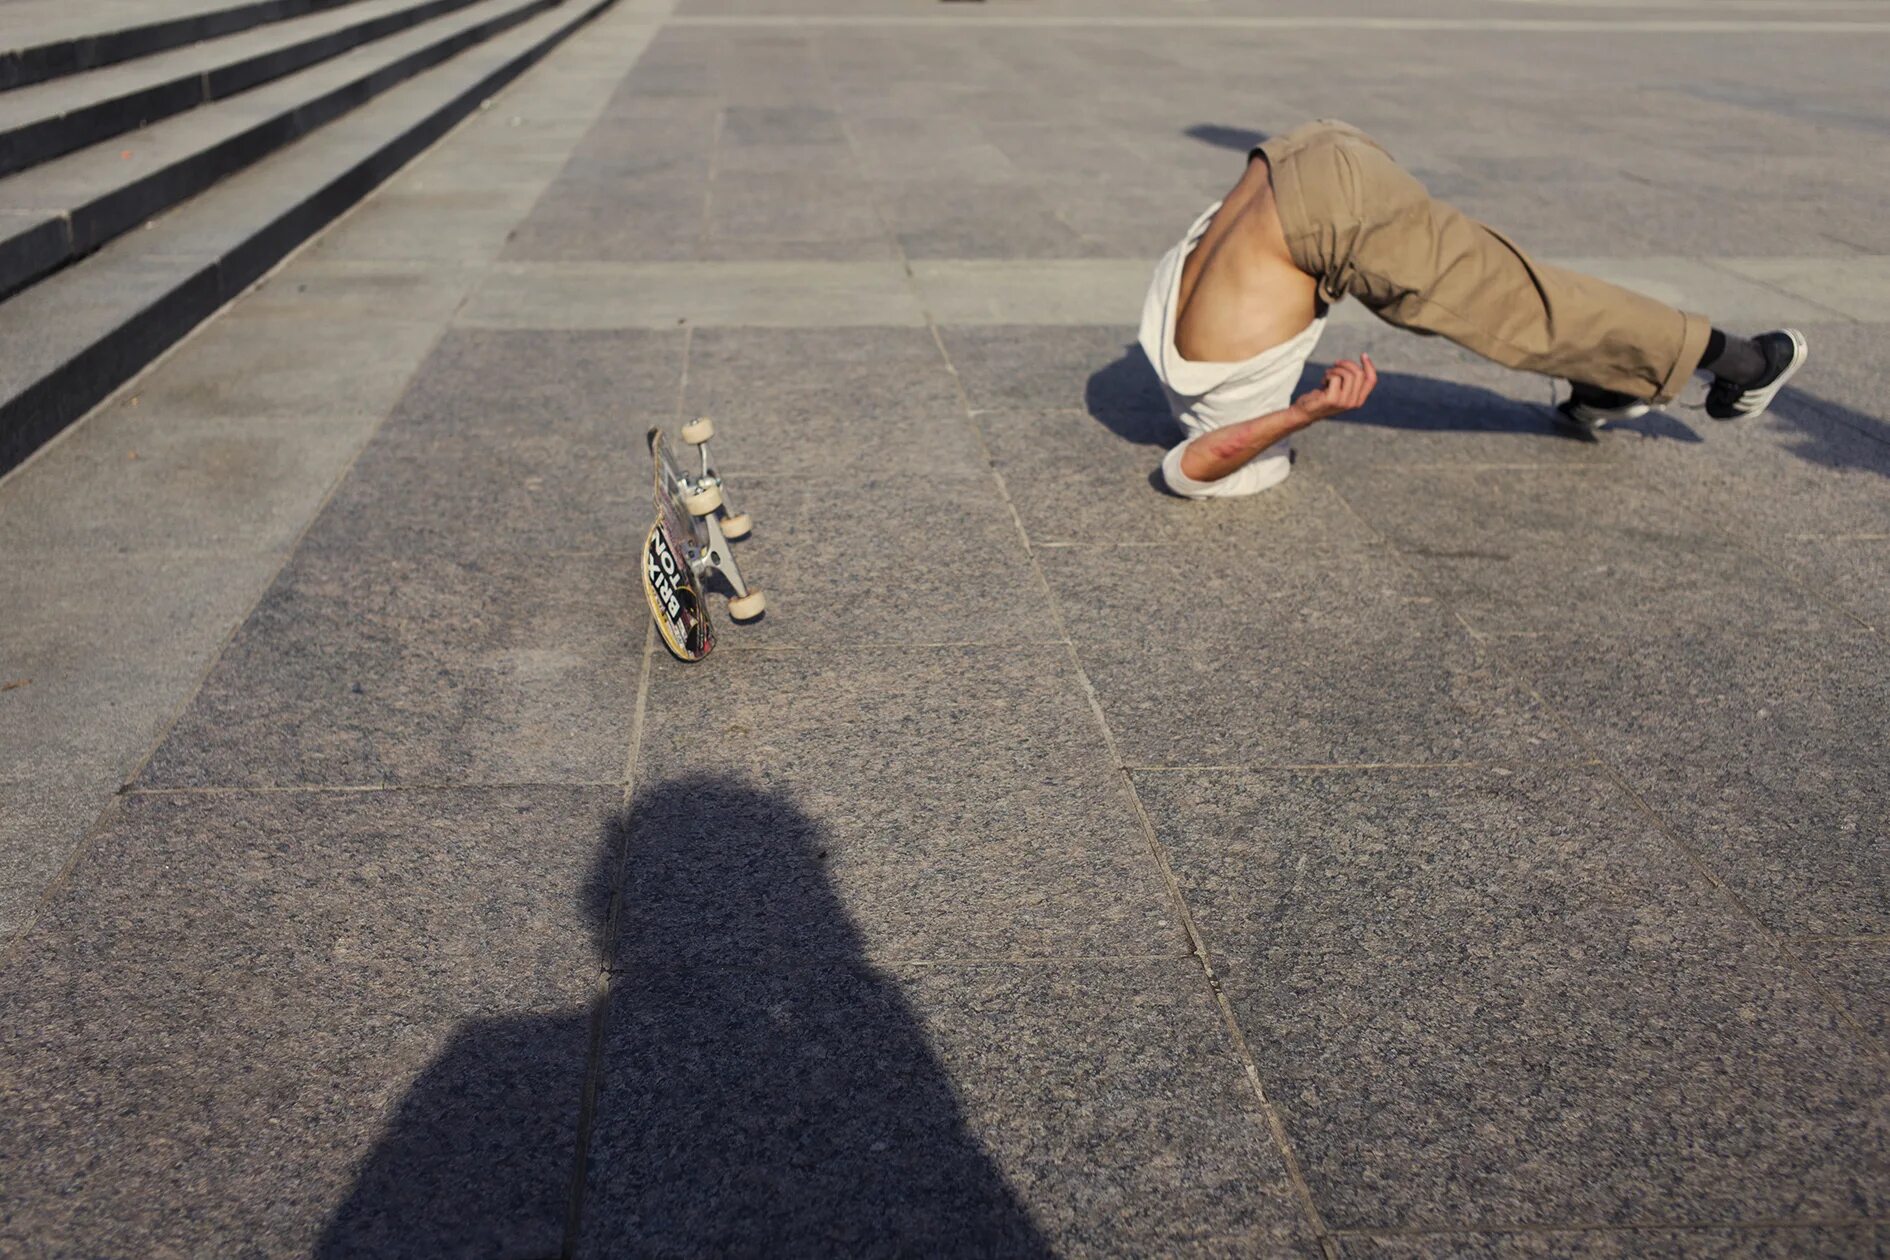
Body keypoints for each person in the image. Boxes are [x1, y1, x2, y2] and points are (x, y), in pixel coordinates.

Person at [1140, 119, 1808, 498]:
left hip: (1338, 215)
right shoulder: (1171, 344)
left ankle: (1745, 363)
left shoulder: (1221, 414)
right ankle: (1607, 378)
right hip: (1299, 152)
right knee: (1513, 294)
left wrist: (1306, 412)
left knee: (1524, 309)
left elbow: (1192, 468)